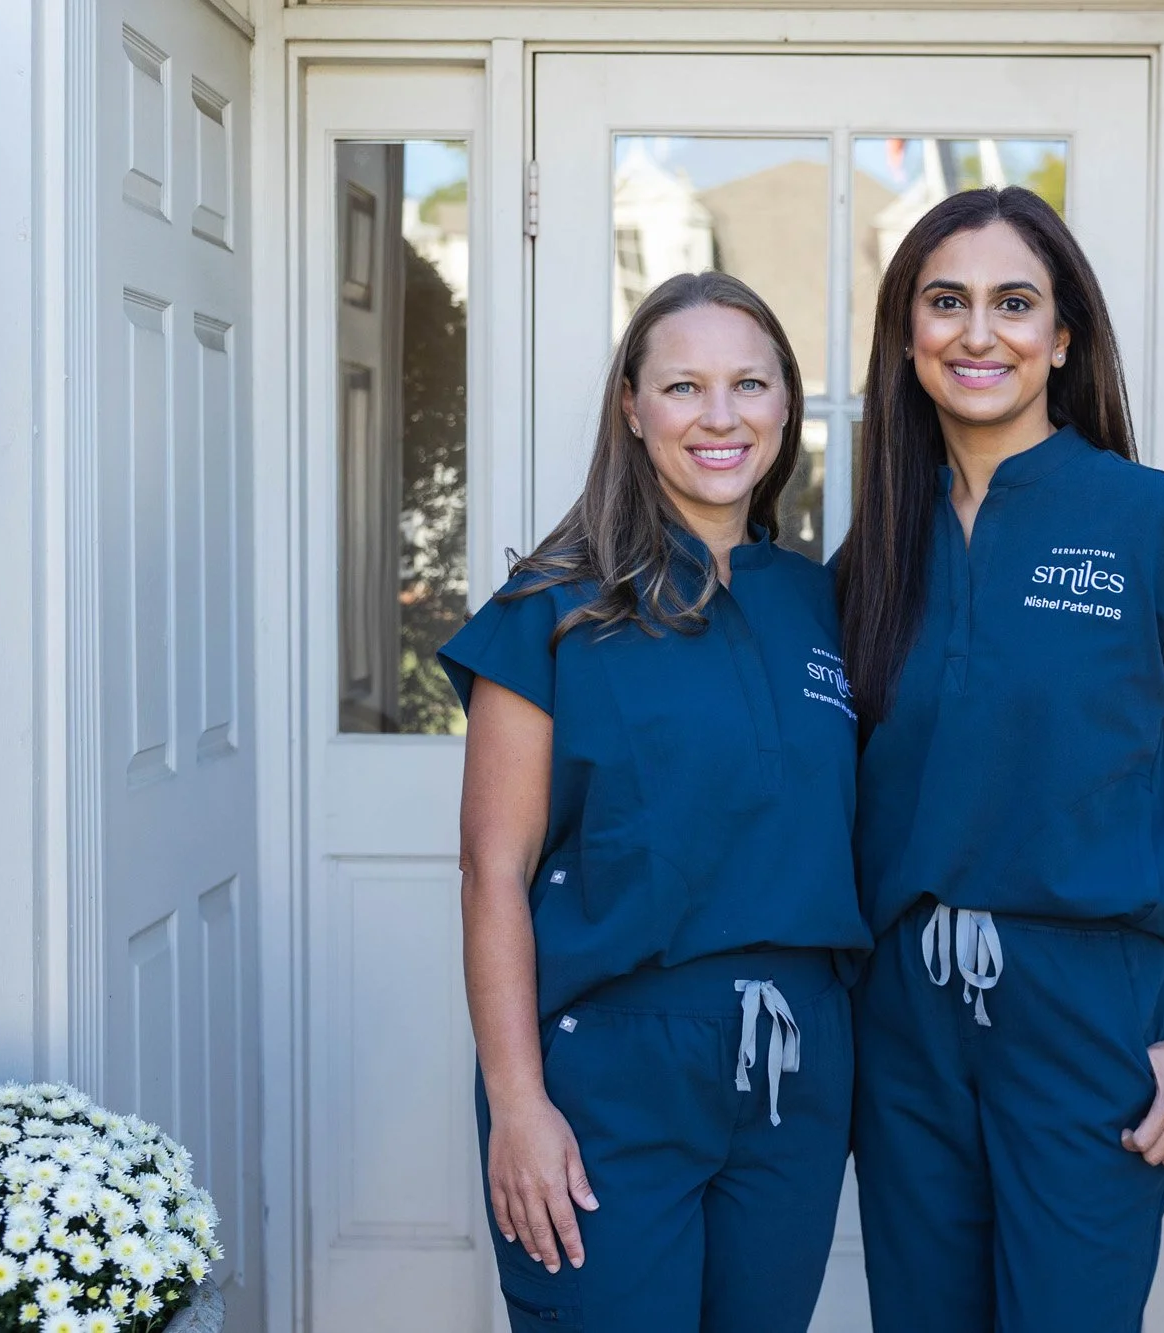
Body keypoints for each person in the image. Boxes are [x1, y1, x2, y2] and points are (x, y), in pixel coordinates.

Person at [836, 186, 1164, 1331]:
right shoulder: (873, 549)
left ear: (1062, 335)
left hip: (1089, 1008)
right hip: (906, 1020)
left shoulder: (1146, 521)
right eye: (945, 302)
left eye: (1013, 303)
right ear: (905, 333)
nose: (977, 332)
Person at [440, 272, 869, 1332]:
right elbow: (491, 869)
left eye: (749, 384)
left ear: (785, 407)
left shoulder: (825, 603)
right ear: (631, 408)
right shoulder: (549, 608)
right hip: (611, 1069)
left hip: (795, 1073)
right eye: (683, 386)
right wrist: (519, 1103)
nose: (719, 416)